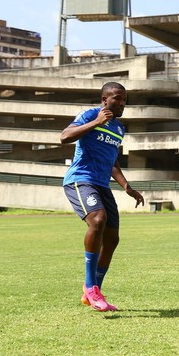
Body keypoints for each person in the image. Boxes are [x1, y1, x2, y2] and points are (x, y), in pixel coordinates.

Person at [61, 81, 144, 312]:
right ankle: (90, 288)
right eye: (117, 98)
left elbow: (112, 161)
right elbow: (64, 136)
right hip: (80, 179)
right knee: (97, 220)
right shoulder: (89, 115)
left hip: (102, 184)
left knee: (112, 239)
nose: (121, 103)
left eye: (124, 100)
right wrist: (96, 122)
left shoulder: (118, 129)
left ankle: (93, 291)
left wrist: (126, 186)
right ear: (104, 100)